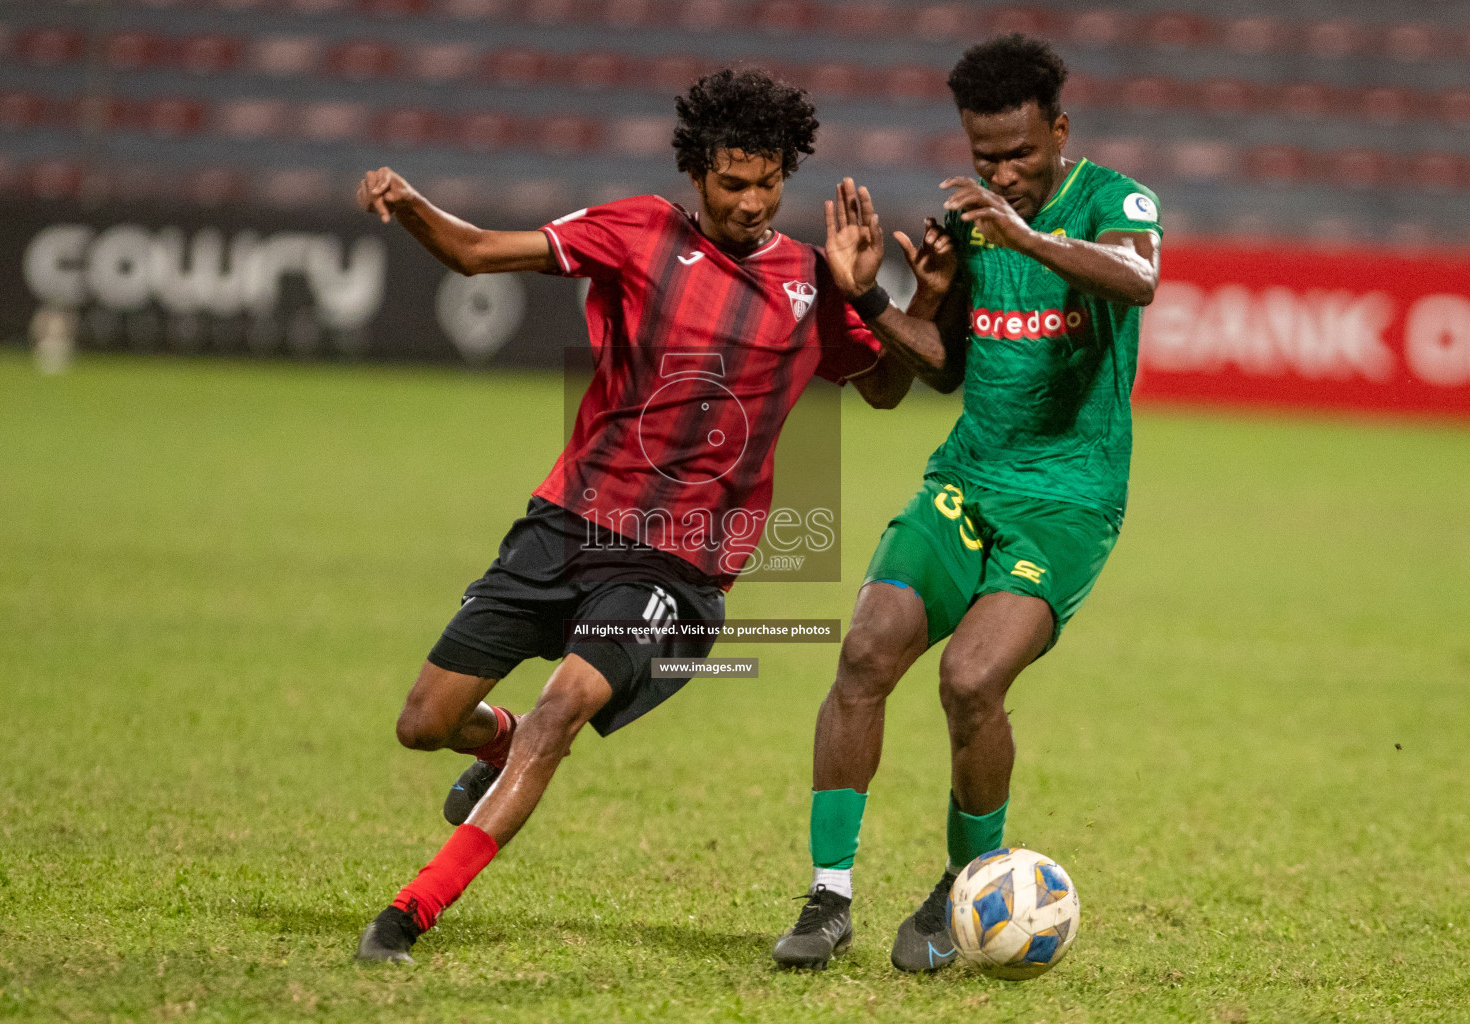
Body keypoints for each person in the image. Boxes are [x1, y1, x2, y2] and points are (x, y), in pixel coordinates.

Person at [351, 68, 913, 962]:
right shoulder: (637, 229)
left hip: (676, 561)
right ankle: (499, 744)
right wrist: (412, 202)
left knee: (560, 708)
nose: (753, 202)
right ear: (698, 173)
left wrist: (864, 293)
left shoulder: (812, 281)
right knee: (424, 722)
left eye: (769, 183)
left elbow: (886, 388)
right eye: (734, 183)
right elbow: (476, 253)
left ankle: (409, 912)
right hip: (567, 520)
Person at [771, 34, 1163, 971]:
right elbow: (943, 364)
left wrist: (1026, 235)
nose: (1003, 173)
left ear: (1058, 130)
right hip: (965, 481)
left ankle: (967, 889)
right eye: (985, 156)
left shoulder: (1112, 200)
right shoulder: (972, 221)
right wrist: (869, 301)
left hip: (1066, 503)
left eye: (1021, 153)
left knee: (972, 681)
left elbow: (1140, 277)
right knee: (865, 651)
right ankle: (829, 898)